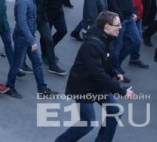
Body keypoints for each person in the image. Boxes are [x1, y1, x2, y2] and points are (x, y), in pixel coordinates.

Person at [55, 11, 135, 142]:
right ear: (107, 26)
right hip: (83, 88)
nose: (120, 27)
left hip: (97, 86)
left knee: (115, 110)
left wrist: (115, 73)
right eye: (117, 25)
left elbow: (105, 60)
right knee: (88, 123)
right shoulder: (92, 45)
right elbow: (98, 74)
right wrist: (122, 91)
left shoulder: (106, 38)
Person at [5, 0, 58, 99]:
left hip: (28, 37)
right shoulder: (24, 0)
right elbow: (22, 23)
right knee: (17, 64)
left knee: (37, 63)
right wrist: (32, 41)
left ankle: (42, 88)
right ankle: (9, 87)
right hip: (23, 38)